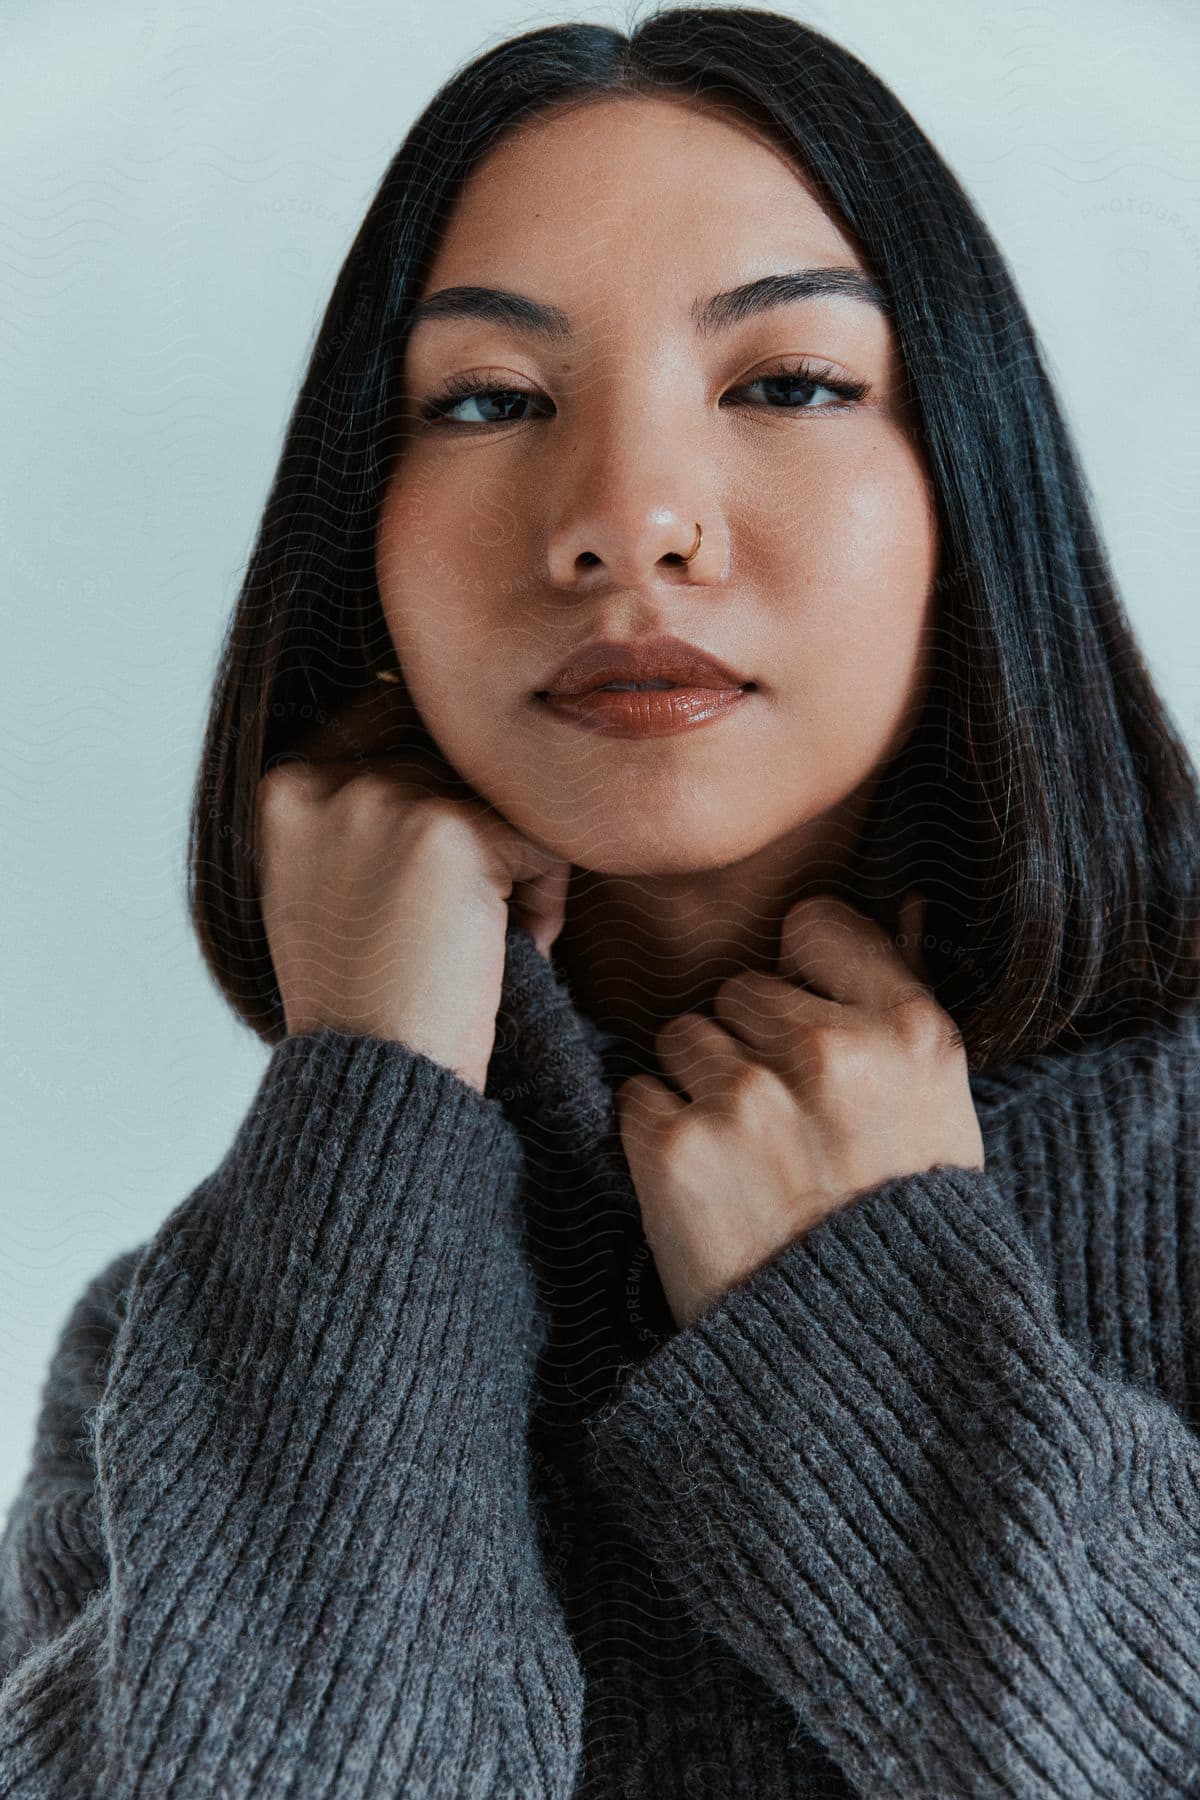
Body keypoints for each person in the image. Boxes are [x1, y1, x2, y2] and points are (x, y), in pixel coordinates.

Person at [3, 7, 1200, 1796]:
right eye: (489, 400)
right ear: (363, 543)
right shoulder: (177, 1349)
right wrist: (370, 1106)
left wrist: (871, 1325)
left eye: (787, 384)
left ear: (972, 482)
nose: (630, 522)